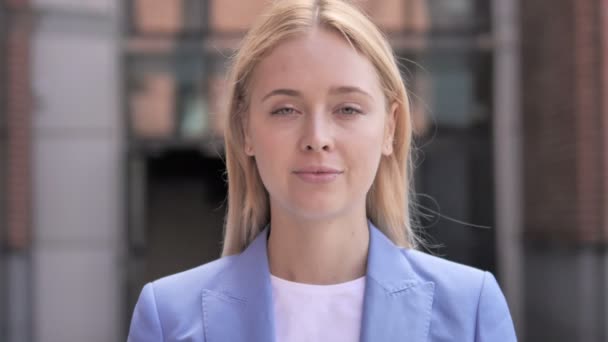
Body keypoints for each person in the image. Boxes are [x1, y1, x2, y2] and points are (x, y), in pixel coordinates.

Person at [127, 0, 517, 341]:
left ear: (390, 128)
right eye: (285, 109)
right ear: (245, 129)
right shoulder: (169, 319)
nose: (317, 138)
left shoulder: (470, 311)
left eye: (347, 108)